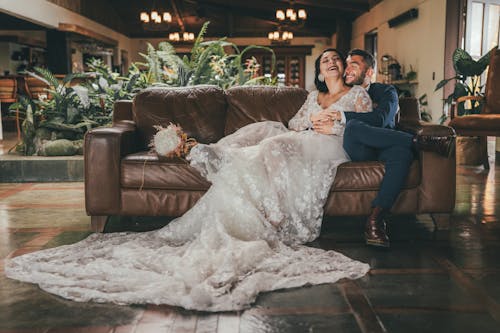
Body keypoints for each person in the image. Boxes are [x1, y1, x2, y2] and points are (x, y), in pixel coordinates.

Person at [5, 49, 371, 312]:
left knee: (275, 146)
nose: (331, 63)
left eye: (336, 60)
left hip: (330, 145)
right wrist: (311, 120)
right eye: (325, 61)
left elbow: (366, 121)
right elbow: (295, 124)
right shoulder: (312, 96)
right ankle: (247, 188)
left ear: (345, 68)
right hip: (305, 136)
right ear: (320, 72)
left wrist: (335, 122)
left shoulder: (356, 94)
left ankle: (270, 208)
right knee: (270, 143)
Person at [311, 49, 454, 248]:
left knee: (401, 154)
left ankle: (376, 219)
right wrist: (339, 119)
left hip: (387, 144)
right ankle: (417, 142)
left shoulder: (386, 92)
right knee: (353, 127)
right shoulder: (340, 92)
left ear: (369, 72)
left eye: (355, 64)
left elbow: (380, 120)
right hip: (359, 148)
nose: (348, 68)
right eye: (347, 63)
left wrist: (342, 116)